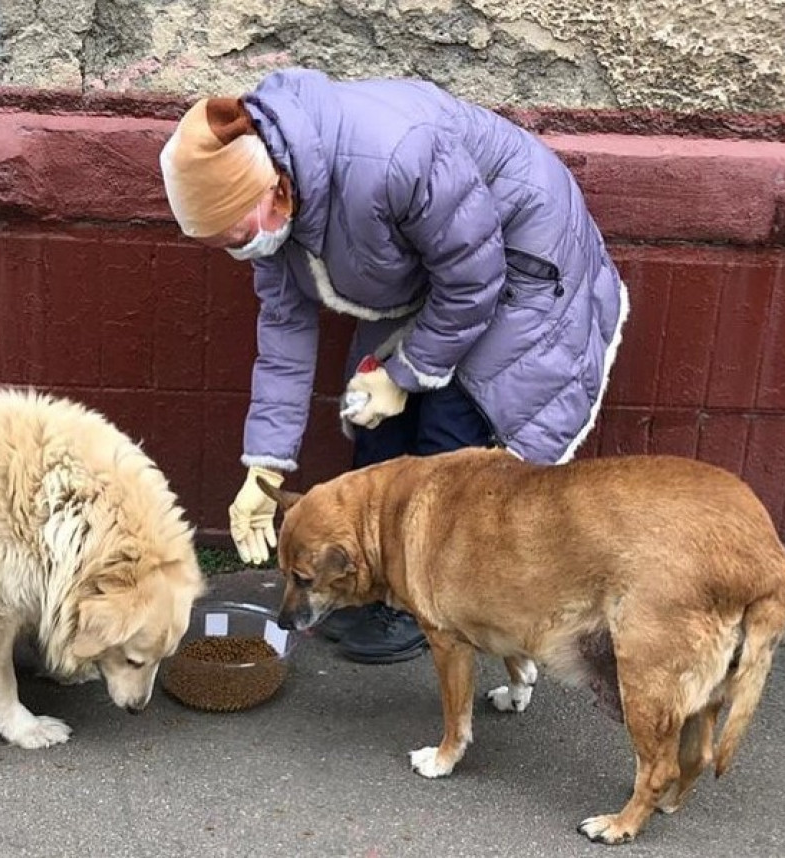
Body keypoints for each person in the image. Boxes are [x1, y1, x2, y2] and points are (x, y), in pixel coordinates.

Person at [159, 68, 628, 665]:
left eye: (233, 234)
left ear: (276, 194)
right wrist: (263, 467)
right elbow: (284, 333)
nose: (234, 251)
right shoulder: (273, 204)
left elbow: (473, 280)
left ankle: (426, 602)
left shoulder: (391, 156)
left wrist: (403, 375)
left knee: (451, 435)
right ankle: (376, 594)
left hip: (522, 255)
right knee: (372, 416)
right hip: (436, 265)